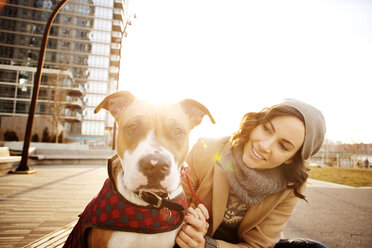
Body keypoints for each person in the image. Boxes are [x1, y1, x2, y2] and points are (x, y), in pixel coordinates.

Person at [176, 99, 327, 248]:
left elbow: (258, 245)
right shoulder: (207, 149)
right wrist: (189, 224)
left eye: (283, 146)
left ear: (292, 158)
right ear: (257, 124)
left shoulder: (291, 186)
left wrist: (207, 245)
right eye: (267, 129)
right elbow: (173, 208)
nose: (264, 145)